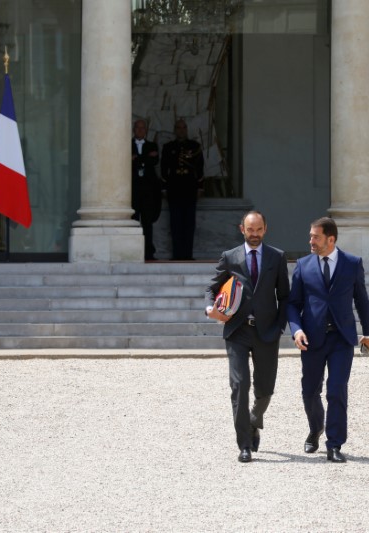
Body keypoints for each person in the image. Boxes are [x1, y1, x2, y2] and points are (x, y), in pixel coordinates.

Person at [287, 217, 369, 463]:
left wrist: (368, 333)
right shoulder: (303, 265)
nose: (311, 241)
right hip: (312, 339)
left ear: (331, 239)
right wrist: (296, 330)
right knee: (309, 391)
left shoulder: (352, 264)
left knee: (337, 390)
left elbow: (362, 300)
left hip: (341, 338)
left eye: (316, 236)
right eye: (311, 236)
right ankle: (316, 428)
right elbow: (293, 304)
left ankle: (334, 444)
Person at [205, 211, 290, 463]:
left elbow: (285, 296)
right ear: (242, 229)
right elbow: (212, 287)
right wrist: (211, 309)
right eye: (250, 230)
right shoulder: (230, 257)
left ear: (265, 229)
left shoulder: (277, 257)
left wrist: (280, 327)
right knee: (240, 385)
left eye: (259, 230)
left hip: (267, 332)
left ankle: (254, 419)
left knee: (265, 389)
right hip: (237, 330)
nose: (254, 235)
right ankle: (244, 444)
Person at [161, 119, 204, 260]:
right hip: (174, 188)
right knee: (175, 223)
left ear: (186, 129)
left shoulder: (195, 146)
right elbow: (163, 169)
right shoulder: (168, 147)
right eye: (178, 127)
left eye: (183, 127)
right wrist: (164, 188)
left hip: (190, 188)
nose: (181, 130)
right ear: (175, 130)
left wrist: (200, 187)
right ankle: (177, 255)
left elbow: (200, 168)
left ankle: (187, 254)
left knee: (189, 223)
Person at [131, 119, 163, 260]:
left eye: (143, 128)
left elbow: (154, 161)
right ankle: (132, 252)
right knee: (132, 222)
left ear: (146, 130)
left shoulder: (152, 145)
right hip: (133, 190)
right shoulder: (128, 145)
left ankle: (148, 252)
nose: (140, 130)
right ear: (134, 129)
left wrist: (137, 159)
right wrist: (145, 158)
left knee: (147, 222)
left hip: (148, 191)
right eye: (138, 128)